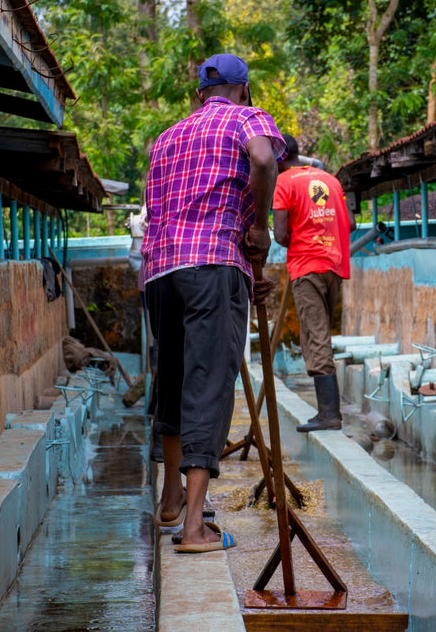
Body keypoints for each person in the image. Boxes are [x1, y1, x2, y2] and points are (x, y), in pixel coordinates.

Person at [141, 53, 284, 552]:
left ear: (201, 92)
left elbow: (156, 211)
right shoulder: (248, 118)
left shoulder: (166, 138)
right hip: (212, 263)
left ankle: (171, 499)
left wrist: (245, 277)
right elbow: (264, 160)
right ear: (242, 88)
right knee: (208, 383)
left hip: (160, 270)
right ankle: (196, 528)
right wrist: (261, 228)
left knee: (175, 379)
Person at [272, 133, 355, 432]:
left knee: (316, 336)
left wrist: (302, 232)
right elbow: (352, 223)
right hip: (334, 264)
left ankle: (329, 415)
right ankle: (328, 411)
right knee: (319, 336)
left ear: (277, 157)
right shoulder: (329, 179)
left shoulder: (284, 183)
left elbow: (281, 235)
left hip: (307, 267)